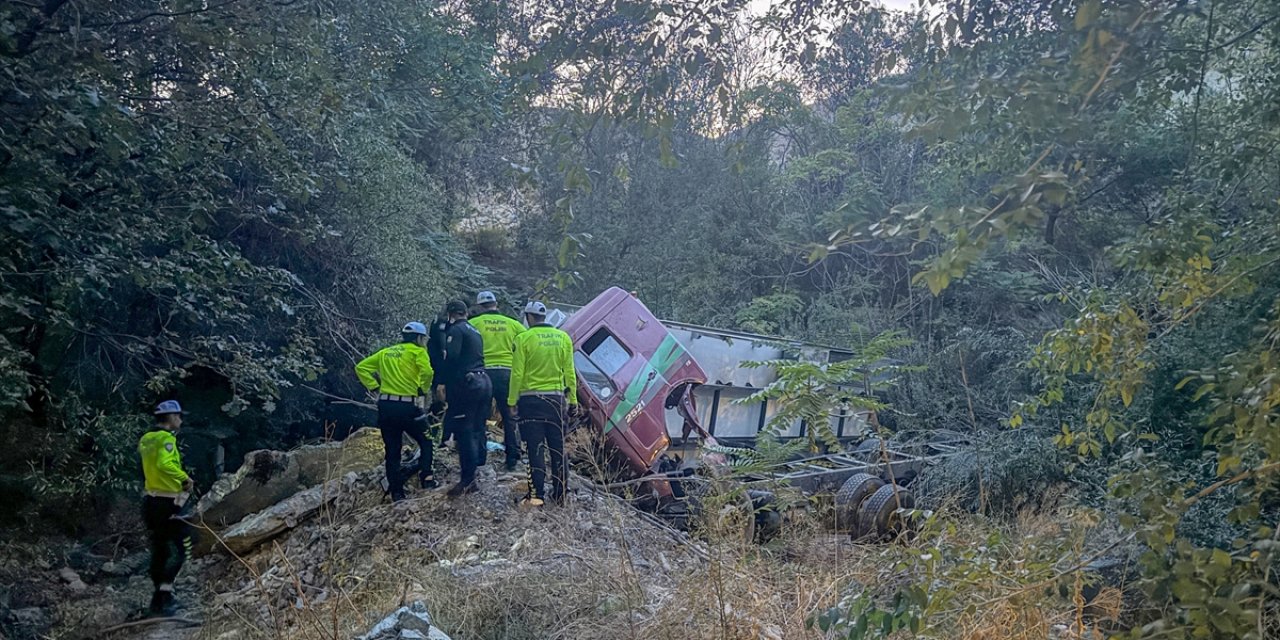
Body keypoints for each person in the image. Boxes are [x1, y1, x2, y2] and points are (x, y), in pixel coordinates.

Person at [355, 322, 437, 502]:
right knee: (426, 440)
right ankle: (427, 479)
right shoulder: (418, 351)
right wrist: (422, 389)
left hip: (386, 406)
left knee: (392, 450)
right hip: (408, 406)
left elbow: (361, 367)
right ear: (419, 337)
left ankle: (397, 493)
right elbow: (428, 372)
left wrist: (374, 386)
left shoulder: (386, 352)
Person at [508, 301, 578, 506]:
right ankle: (560, 494)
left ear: (529, 318)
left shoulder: (524, 339)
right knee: (558, 450)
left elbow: (517, 373)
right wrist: (572, 399)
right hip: (556, 402)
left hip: (531, 403)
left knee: (535, 450)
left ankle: (537, 496)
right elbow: (570, 373)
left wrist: (512, 401)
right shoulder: (563, 338)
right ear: (544, 317)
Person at [138, 400, 194, 616]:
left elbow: (148, 467)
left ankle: (157, 602)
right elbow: (164, 464)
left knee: (160, 549)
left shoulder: (146, 439)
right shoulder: (166, 439)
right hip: (167, 502)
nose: (180, 420)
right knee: (182, 550)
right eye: (178, 416)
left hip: (150, 502)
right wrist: (185, 477)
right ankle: (165, 597)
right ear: (170, 417)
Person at [468, 290, 527, 472]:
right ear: (496, 305)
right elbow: (527, 342)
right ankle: (512, 457)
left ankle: (480, 457)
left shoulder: (473, 324)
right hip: (507, 374)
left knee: (480, 416)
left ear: (479, 307)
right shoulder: (514, 324)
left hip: (483, 374)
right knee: (509, 416)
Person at [439, 299, 492, 497]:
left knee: (465, 431)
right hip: (483, 381)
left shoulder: (456, 331)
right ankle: (477, 469)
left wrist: (444, 383)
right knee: (477, 428)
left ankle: (468, 480)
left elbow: (452, 359)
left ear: (451, 314)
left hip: (468, 384)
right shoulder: (474, 330)